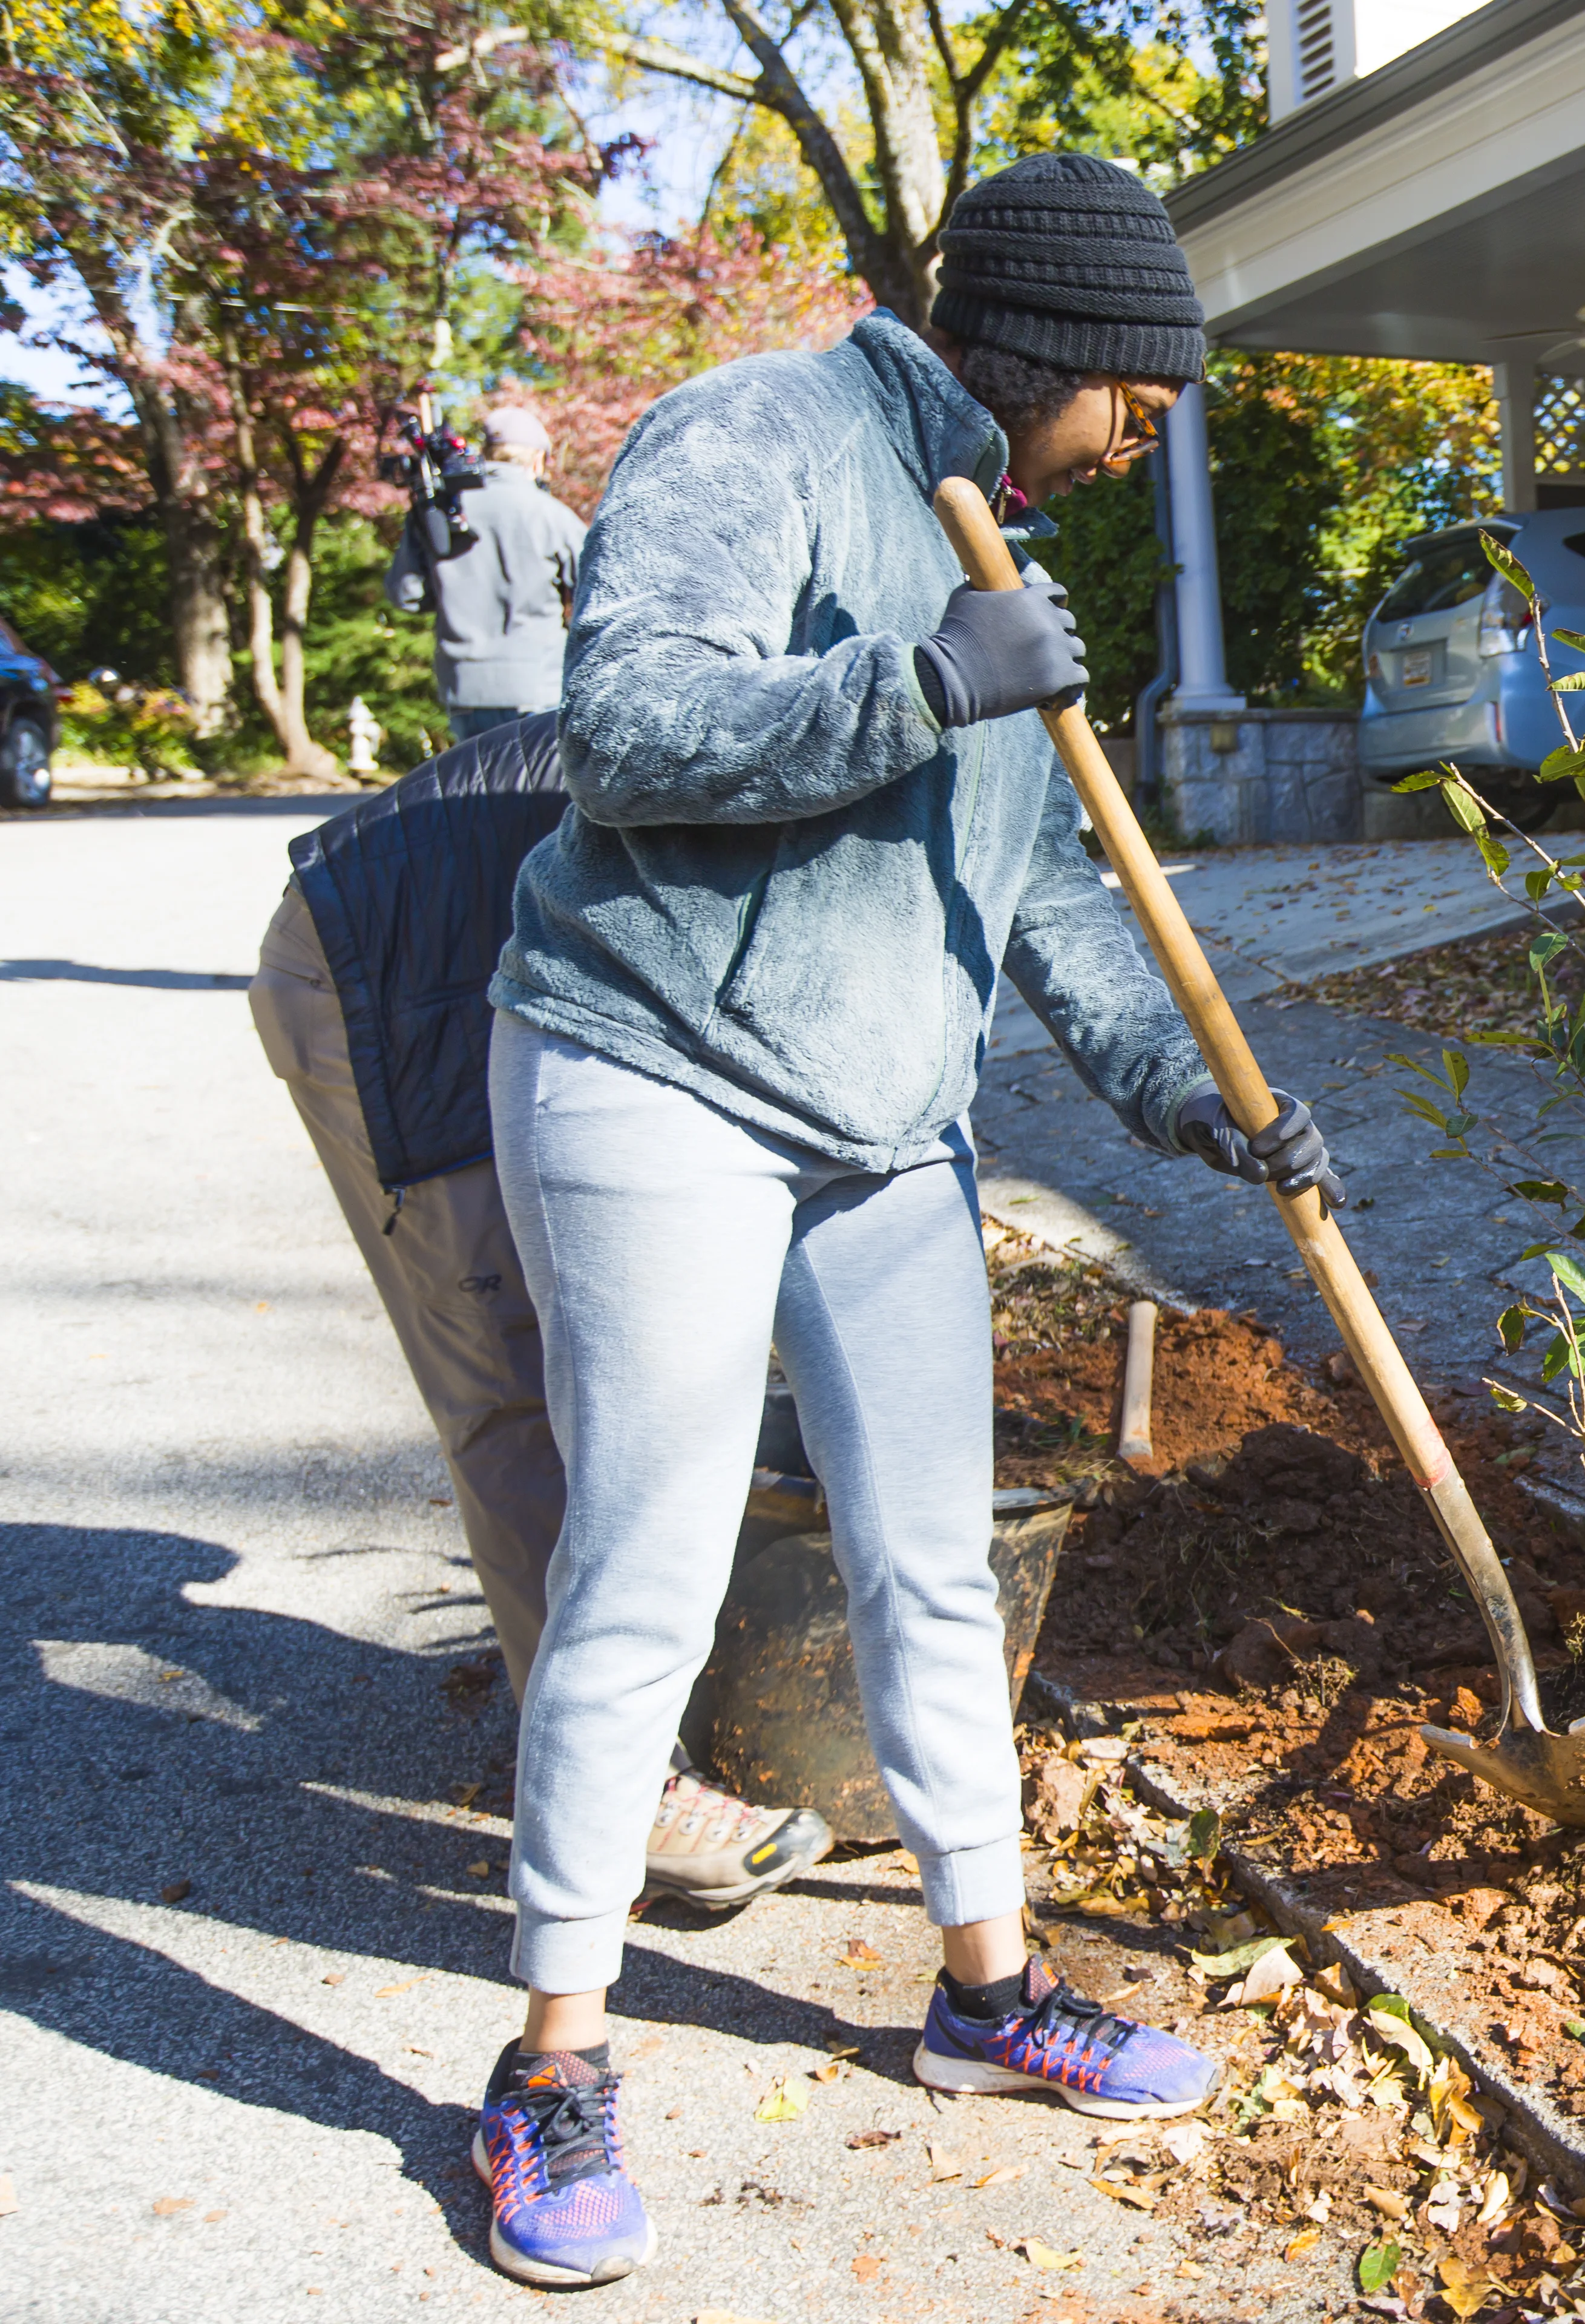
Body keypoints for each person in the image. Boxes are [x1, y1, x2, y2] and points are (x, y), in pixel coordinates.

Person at [464, 154, 1341, 2291]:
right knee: (649, 1569)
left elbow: (1036, 882)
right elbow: (627, 728)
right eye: (1135, 397)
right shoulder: (753, 435)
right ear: (1035, 355)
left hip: (888, 1120)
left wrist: (1195, 1096)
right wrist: (919, 685)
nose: (1145, 439)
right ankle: (553, 2063)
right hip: (653, 1066)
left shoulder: (1003, 552)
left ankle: (983, 1991)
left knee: (935, 1563)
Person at [246, 714, 836, 1907]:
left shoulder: (823, 727)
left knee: (613, 1355)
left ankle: (598, 1690)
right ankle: (624, 1803)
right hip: (394, 975)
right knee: (513, 1378)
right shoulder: (770, 723)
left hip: (502, 962)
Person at [385, 405, 590, 743]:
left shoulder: (439, 510)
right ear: (537, 459)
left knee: (478, 789)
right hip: (537, 684)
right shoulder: (551, 515)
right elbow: (599, 590)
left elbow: (406, 594)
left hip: (465, 688)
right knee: (536, 791)